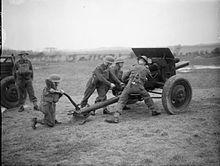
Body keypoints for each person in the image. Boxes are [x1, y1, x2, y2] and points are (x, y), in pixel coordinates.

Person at [105, 56, 161, 123]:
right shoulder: (146, 69)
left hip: (129, 87)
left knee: (122, 100)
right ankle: (154, 110)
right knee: (147, 97)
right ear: (145, 63)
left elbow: (124, 77)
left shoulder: (133, 67)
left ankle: (116, 117)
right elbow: (151, 79)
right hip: (140, 87)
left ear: (138, 61)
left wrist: (127, 80)